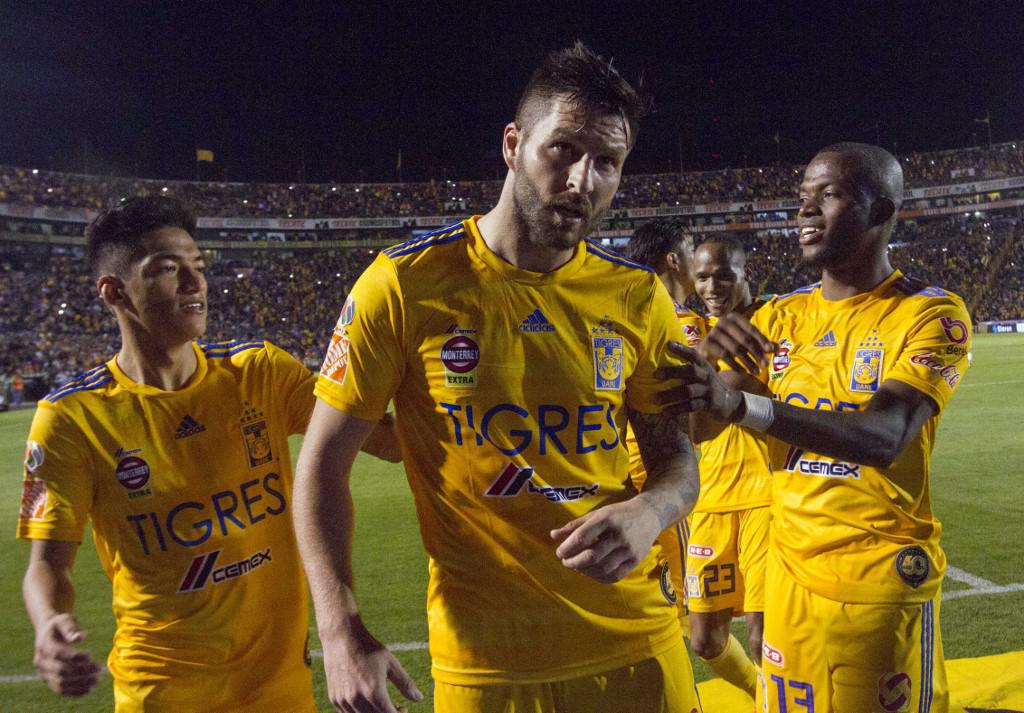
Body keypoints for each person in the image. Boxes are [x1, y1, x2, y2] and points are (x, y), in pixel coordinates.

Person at [293, 42, 703, 713]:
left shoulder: (637, 296)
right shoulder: (402, 285)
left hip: (637, 646)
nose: (582, 179)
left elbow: (675, 458)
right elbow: (321, 465)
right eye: (563, 150)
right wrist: (339, 630)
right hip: (486, 668)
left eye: (607, 162)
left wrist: (650, 509)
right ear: (513, 144)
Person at [16, 196, 398, 712]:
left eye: (198, 267)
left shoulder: (261, 372)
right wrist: (47, 626)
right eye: (168, 270)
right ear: (114, 291)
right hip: (163, 693)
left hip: (280, 688)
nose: (196, 284)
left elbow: (390, 442)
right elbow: (48, 565)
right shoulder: (70, 418)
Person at [668, 143, 969, 712]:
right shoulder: (778, 318)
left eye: (828, 195)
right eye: (803, 198)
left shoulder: (930, 314)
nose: (805, 212)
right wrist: (702, 367)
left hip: (875, 584)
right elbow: (694, 430)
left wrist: (744, 408)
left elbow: (884, 436)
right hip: (787, 581)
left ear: (881, 212)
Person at [685, 235, 771, 701]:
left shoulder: (768, 325)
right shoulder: (703, 332)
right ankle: (764, 696)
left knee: (763, 637)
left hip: (766, 497)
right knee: (705, 638)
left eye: (723, 273)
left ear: (744, 271)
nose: (712, 285)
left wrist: (700, 365)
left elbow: (708, 411)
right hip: (712, 498)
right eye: (702, 276)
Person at [622, 219, 705, 633]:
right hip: (666, 478)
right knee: (692, 617)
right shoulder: (679, 325)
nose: (698, 259)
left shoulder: (622, 313)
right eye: (692, 249)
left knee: (650, 602)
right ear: (673, 259)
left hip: (623, 477)